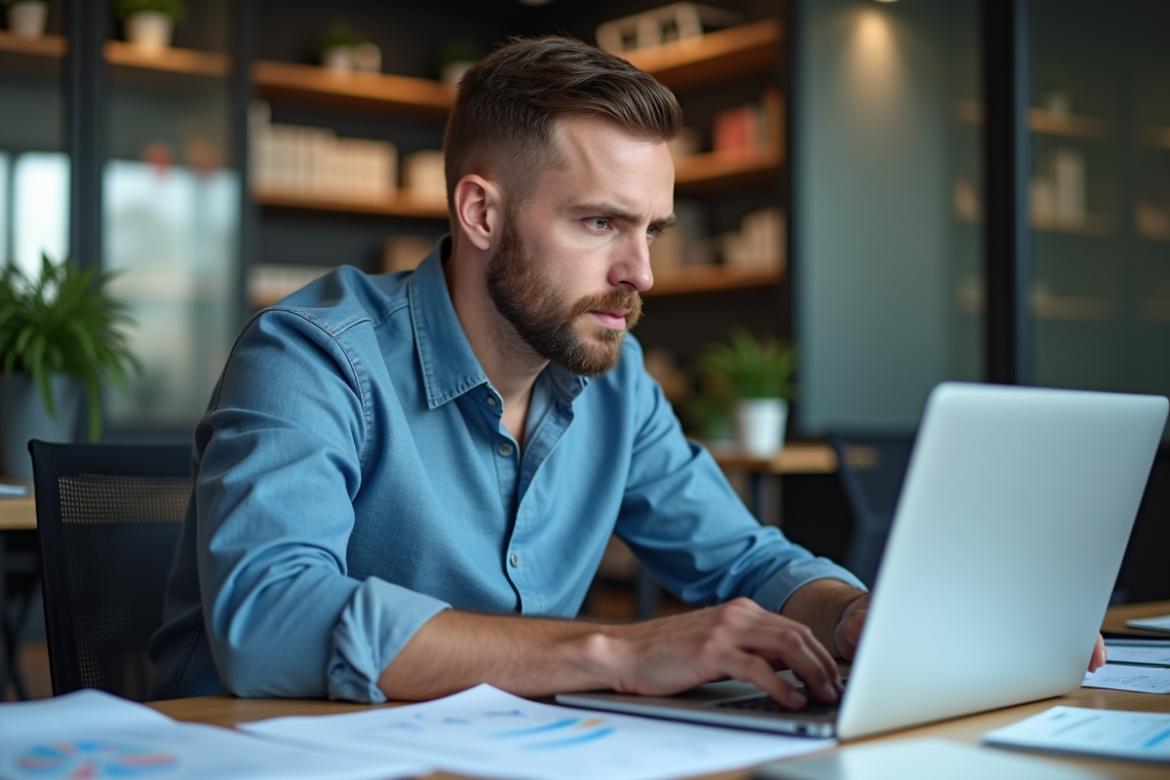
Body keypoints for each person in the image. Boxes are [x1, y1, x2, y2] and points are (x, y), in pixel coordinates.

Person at [149, 36, 1105, 705]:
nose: (640, 273)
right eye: (600, 222)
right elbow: (269, 621)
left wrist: (861, 617)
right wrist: (615, 651)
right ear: (480, 215)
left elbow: (747, 560)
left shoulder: (611, 379)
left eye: (651, 230)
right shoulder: (313, 355)